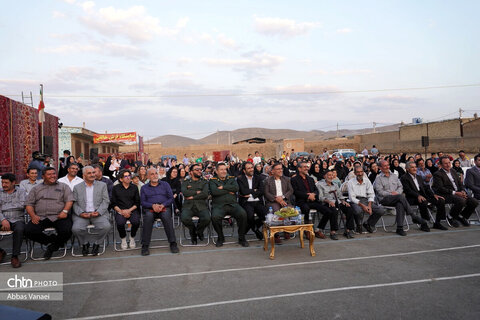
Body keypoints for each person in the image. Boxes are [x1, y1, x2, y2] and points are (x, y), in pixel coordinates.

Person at [25, 167, 73, 259]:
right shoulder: (36, 189)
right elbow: (29, 204)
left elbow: (69, 200)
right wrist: (33, 216)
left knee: (67, 230)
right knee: (28, 230)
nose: (53, 176)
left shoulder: (64, 186)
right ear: (43, 176)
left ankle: (52, 247)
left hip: (59, 216)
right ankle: (52, 240)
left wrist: (65, 211)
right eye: (49, 174)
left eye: (54, 174)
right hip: (41, 217)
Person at [374, 160, 429, 235]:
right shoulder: (378, 178)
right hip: (385, 199)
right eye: (385, 166)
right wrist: (391, 194)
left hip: (397, 198)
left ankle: (399, 228)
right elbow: (380, 191)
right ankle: (413, 216)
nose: (387, 167)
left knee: (400, 204)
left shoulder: (394, 176)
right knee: (400, 197)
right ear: (380, 167)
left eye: (388, 165)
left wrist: (397, 193)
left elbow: (400, 187)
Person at [72, 166, 111, 256]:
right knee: (76, 229)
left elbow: (106, 201)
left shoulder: (102, 185)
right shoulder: (77, 187)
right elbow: (75, 203)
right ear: (84, 175)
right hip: (82, 214)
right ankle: (85, 243)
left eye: (93, 172)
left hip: (98, 213)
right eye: (89, 173)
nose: (92, 175)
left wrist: (99, 212)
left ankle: (97, 244)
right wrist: (81, 213)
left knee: (106, 227)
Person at [140, 168, 179, 255]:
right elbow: (142, 202)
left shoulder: (165, 185)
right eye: (152, 174)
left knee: (166, 216)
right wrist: (152, 205)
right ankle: (145, 245)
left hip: (164, 207)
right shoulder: (144, 188)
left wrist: (163, 205)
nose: (155, 175)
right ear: (148, 176)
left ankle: (173, 243)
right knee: (148, 217)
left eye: (156, 173)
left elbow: (171, 198)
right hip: (150, 208)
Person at [209, 163, 249, 247]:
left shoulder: (231, 178)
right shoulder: (212, 180)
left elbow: (236, 188)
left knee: (243, 214)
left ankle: (242, 238)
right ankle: (220, 237)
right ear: (216, 171)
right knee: (215, 217)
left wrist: (222, 187)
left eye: (225, 169)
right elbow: (214, 192)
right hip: (219, 206)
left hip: (233, 205)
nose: (224, 171)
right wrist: (228, 190)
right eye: (221, 169)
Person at [432, 157, 479, 227]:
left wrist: (463, 191)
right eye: (445, 163)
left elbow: (460, 183)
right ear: (441, 165)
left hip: (458, 192)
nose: (448, 165)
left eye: (449, 163)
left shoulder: (453, 171)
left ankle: (461, 216)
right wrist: (455, 193)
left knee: (474, 201)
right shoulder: (438, 174)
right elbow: (440, 188)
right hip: (446, 194)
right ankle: (451, 217)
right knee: (461, 200)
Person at [291, 162, 333, 239]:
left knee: (328, 211)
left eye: (307, 167)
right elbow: (295, 192)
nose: (306, 168)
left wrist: (313, 194)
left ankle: (318, 230)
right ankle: (307, 230)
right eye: (304, 167)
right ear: (299, 169)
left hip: (313, 200)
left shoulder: (310, 179)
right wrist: (308, 195)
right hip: (301, 201)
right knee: (305, 209)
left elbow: (316, 190)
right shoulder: (294, 179)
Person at [400, 162, 448, 230]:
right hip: (412, 197)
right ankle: (424, 223)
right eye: (412, 167)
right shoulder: (404, 178)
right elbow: (407, 190)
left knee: (441, 200)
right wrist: (418, 195)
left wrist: (433, 195)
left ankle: (437, 222)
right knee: (423, 201)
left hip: (423, 195)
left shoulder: (418, 177)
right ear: (407, 169)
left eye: (415, 167)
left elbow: (426, 187)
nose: (414, 169)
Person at [317, 170, 356, 239]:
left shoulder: (335, 184)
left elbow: (340, 195)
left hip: (337, 201)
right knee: (334, 210)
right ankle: (333, 231)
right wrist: (328, 201)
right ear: (325, 176)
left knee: (349, 208)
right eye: (329, 175)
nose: (331, 176)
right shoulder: (320, 184)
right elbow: (320, 197)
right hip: (326, 203)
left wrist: (344, 201)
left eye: (332, 175)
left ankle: (348, 230)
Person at [347, 166, 385, 234]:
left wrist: (369, 206)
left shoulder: (367, 181)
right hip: (355, 201)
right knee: (358, 210)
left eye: (361, 172)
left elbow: (371, 194)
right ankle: (359, 225)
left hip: (366, 200)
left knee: (381, 210)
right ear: (355, 173)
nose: (360, 173)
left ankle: (368, 224)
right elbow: (352, 198)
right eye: (358, 172)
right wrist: (363, 206)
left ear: (363, 173)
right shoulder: (350, 182)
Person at [0, 173, 26, 268]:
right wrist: (3, 219)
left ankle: (15, 256)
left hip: (17, 218)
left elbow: (22, 205)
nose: (4, 185)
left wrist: (4, 207)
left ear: (13, 183)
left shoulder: (21, 192)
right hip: (2, 218)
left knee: (19, 229)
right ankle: (1, 251)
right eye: (2, 182)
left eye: (6, 183)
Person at [181, 164, 211, 245]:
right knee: (184, 218)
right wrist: (197, 192)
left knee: (207, 218)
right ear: (191, 172)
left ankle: (199, 231)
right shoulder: (186, 182)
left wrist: (192, 196)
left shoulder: (204, 182)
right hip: (188, 206)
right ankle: (193, 232)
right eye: (196, 169)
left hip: (201, 205)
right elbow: (185, 192)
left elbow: (205, 194)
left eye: (200, 169)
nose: (199, 171)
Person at [111, 170, 140, 250]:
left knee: (136, 221)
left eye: (129, 176)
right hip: (120, 211)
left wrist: (129, 210)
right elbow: (113, 203)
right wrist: (122, 211)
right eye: (126, 176)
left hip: (132, 210)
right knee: (120, 223)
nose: (128, 178)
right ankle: (123, 239)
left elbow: (137, 202)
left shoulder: (134, 187)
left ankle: (132, 237)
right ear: (121, 179)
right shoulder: (115, 188)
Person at [237, 162, 266, 240]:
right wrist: (254, 190)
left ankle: (253, 227)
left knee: (266, 215)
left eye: (252, 167)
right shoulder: (240, 179)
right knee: (249, 216)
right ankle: (256, 230)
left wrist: (251, 193)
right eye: (248, 168)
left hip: (257, 201)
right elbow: (243, 191)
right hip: (246, 202)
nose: (251, 169)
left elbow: (262, 190)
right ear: (244, 170)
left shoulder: (258, 177)